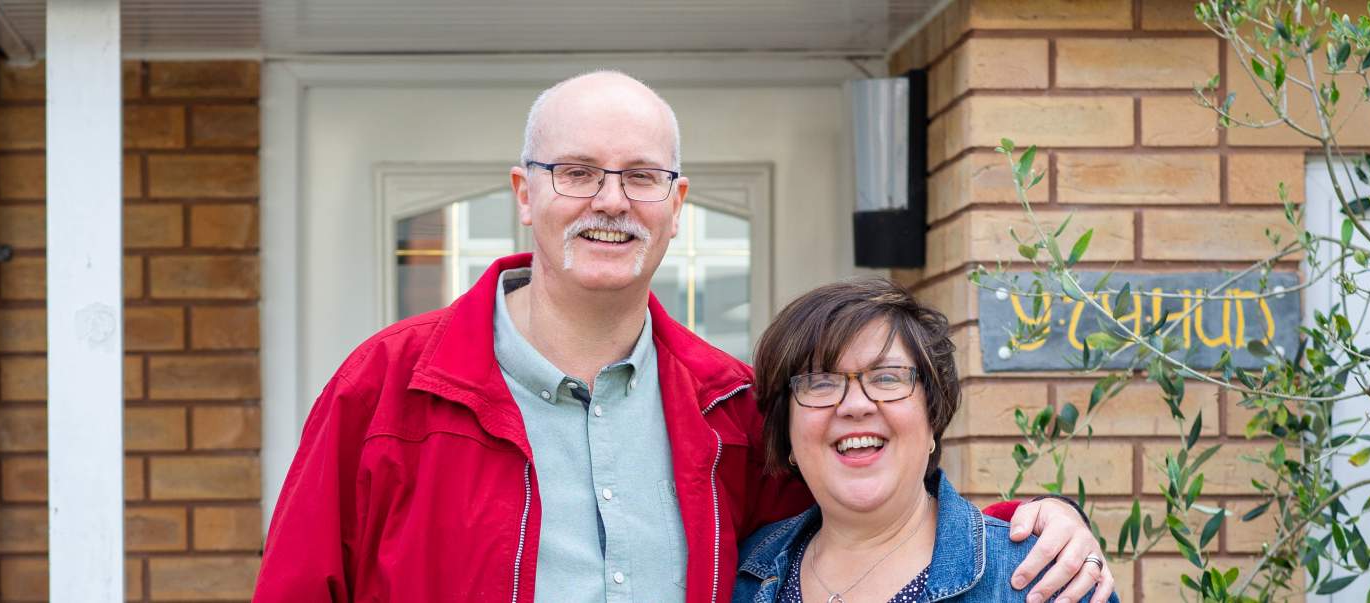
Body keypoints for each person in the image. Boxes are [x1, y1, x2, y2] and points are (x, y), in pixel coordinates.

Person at [253, 70, 1112, 602]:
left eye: (641, 176)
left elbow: (860, 519)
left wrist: (1028, 527)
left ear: (677, 204)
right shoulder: (387, 386)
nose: (610, 200)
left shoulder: (728, 403)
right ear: (524, 192)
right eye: (577, 172)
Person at [733, 278, 1116, 603]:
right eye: (820, 383)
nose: (855, 405)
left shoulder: (1045, 578)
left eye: (887, 377)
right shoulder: (742, 576)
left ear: (933, 415)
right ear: (786, 430)